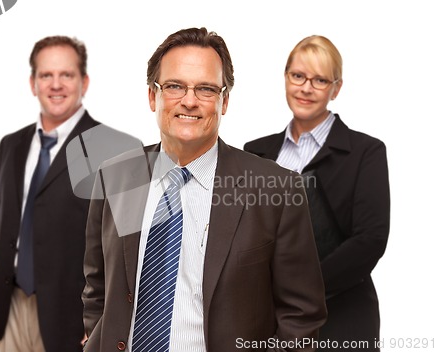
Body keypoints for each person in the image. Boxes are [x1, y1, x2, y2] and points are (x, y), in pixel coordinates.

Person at [82, 27, 327, 352]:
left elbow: (301, 317)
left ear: (224, 101)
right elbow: (96, 288)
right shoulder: (115, 178)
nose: (189, 101)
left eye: (206, 89)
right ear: (153, 96)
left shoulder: (276, 190)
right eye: (174, 86)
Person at [0, 35, 141, 352]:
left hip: (74, 320)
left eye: (66, 75)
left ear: (84, 81)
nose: (56, 85)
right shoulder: (11, 145)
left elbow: (132, 252)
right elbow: (1, 224)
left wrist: (104, 320)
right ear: (33, 83)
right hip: (10, 309)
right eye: (46, 75)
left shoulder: (118, 149)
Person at [244, 35, 390, 351]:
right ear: (285, 78)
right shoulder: (255, 153)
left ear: (336, 88)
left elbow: (370, 240)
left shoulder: (366, 152)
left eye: (320, 80)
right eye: (298, 76)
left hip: (341, 319)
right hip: (267, 322)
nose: (306, 88)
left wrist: (298, 291)